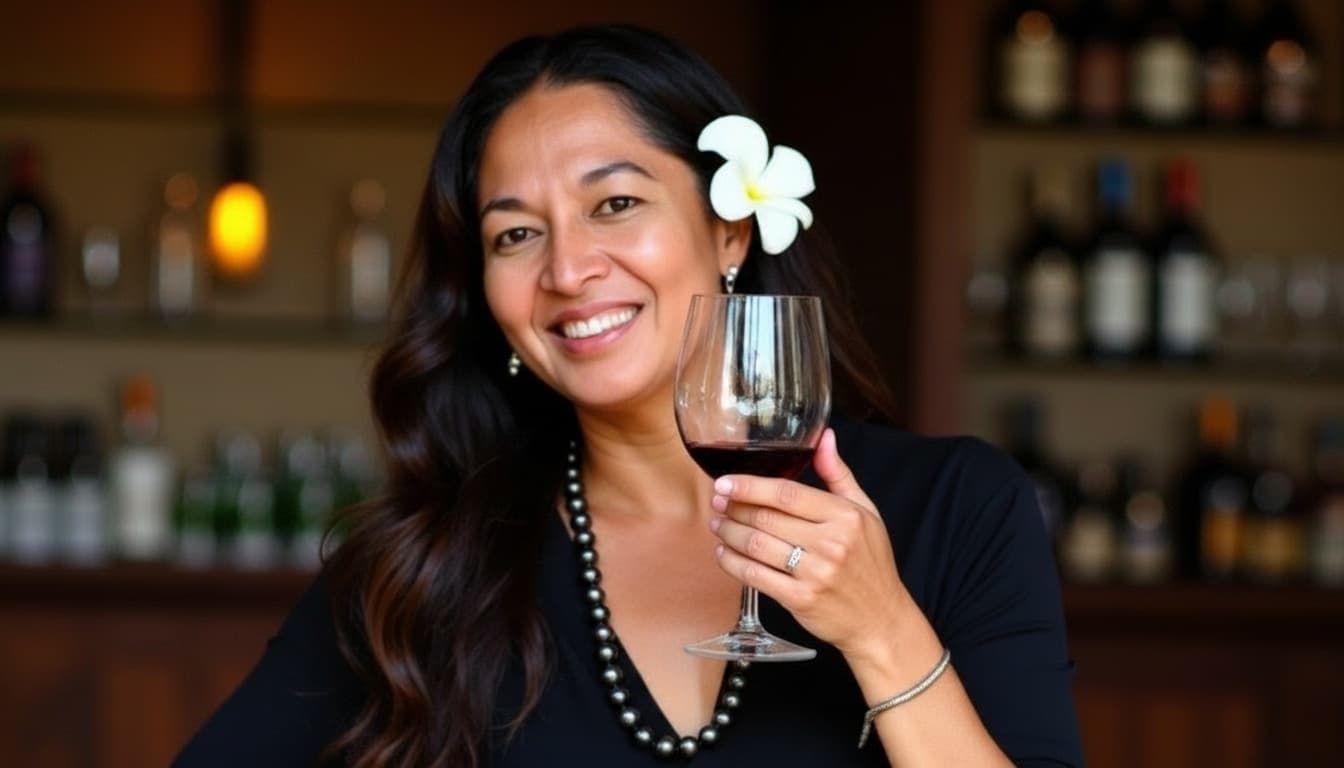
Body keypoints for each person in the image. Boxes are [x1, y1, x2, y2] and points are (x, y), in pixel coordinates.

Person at [174, 23, 1082, 768]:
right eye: (516, 234)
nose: (568, 269)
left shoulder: (958, 509)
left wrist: (882, 630)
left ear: (730, 232)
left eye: (615, 205)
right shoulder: (424, 564)